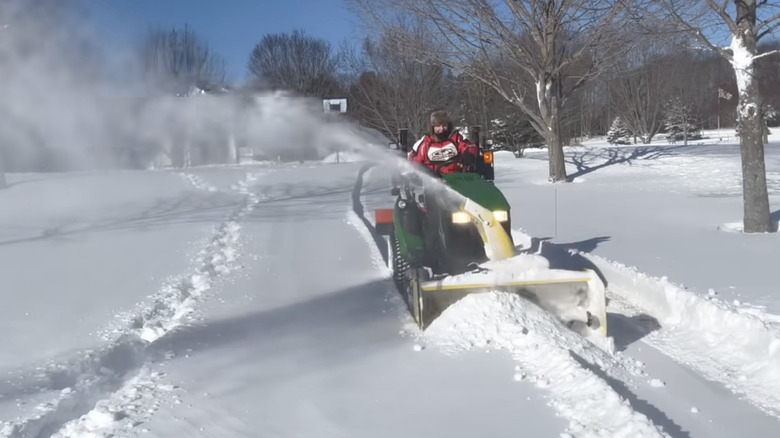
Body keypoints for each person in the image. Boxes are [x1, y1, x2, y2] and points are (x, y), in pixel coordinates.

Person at [409, 110, 478, 175]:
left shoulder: (455, 137)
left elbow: (469, 146)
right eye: (438, 126)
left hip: (458, 176)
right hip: (434, 179)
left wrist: (468, 154)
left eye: (444, 125)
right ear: (433, 127)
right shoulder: (425, 143)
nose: (441, 129)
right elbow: (415, 160)